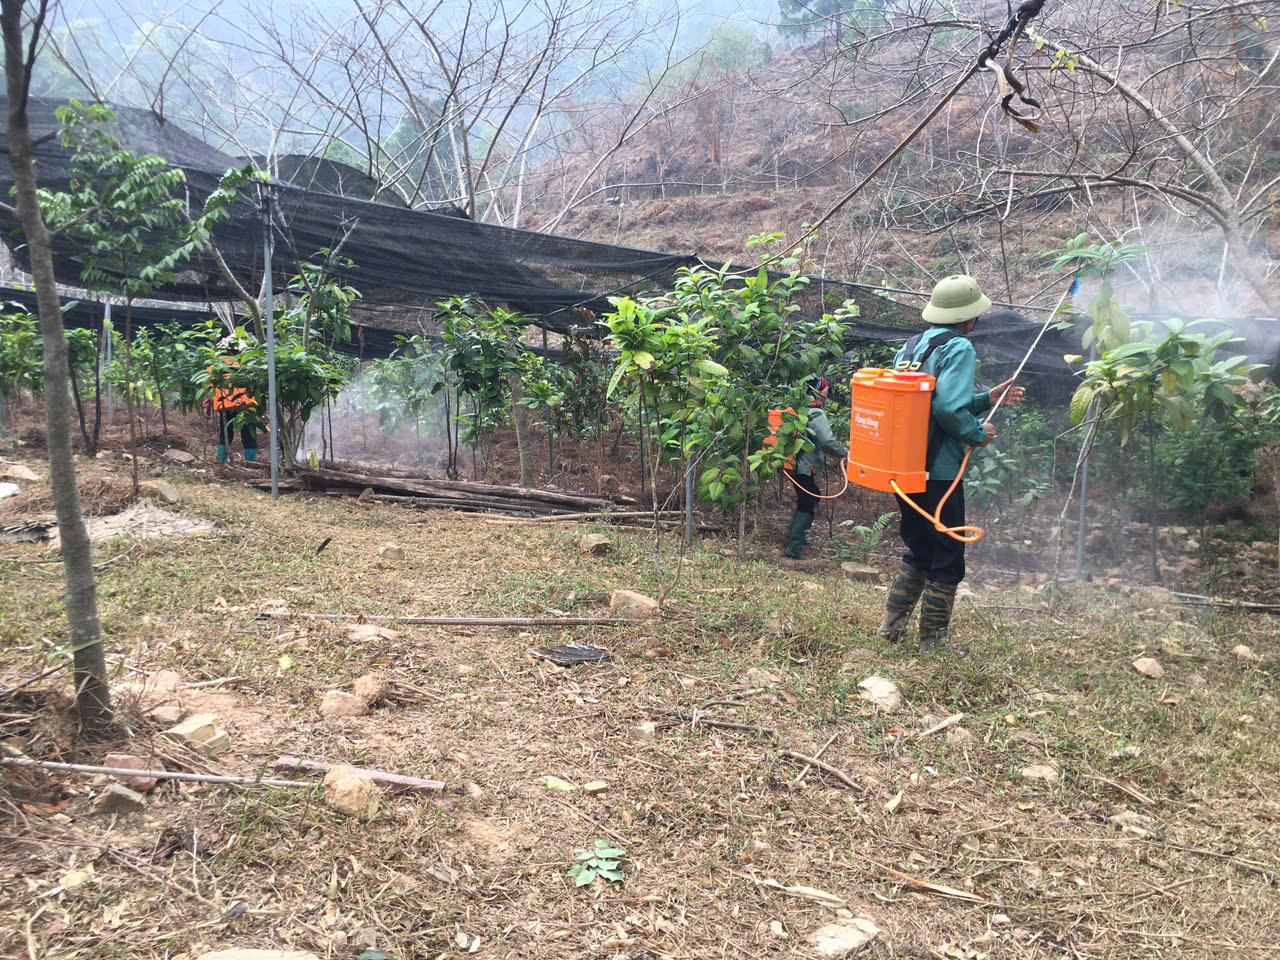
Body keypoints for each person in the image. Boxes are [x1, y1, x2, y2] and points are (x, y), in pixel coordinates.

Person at [877, 275, 1024, 651]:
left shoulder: (912, 346)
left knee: (920, 549)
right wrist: (977, 432)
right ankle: (933, 642)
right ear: (967, 316)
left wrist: (986, 398)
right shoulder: (959, 346)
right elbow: (945, 408)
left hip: (906, 465)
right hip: (939, 470)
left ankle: (890, 630)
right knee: (948, 555)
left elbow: (927, 401)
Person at [784, 376, 849, 559]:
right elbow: (827, 441)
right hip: (802, 465)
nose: (827, 395)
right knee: (809, 499)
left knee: (810, 496)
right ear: (819, 391)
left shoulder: (800, 407)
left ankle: (795, 535)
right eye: (826, 391)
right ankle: (794, 547)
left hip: (794, 463)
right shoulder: (815, 412)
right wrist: (845, 452)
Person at [204, 354, 258, 464]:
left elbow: (210, 388)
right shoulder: (249, 360)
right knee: (249, 435)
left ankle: (220, 461)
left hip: (225, 404)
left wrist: (207, 406)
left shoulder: (215, 364)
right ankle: (251, 463)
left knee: (225, 433)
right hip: (247, 404)